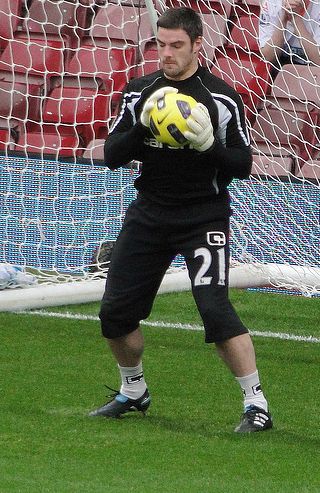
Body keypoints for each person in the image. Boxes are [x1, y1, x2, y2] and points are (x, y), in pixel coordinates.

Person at [89, 7, 273, 433]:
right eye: (161, 45)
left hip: (202, 217)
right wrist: (143, 127)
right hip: (148, 215)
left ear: (196, 45)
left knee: (215, 311)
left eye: (176, 46)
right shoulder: (139, 92)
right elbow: (113, 154)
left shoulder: (221, 97)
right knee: (114, 315)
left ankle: (256, 405)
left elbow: (242, 165)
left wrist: (208, 145)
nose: (166, 54)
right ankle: (133, 390)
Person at [259, 0, 320, 66]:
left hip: (310, 69)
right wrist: (284, 18)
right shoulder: (271, 3)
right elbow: (267, 57)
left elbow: (318, 61)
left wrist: (295, 19)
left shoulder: (317, 6)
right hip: (278, 66)